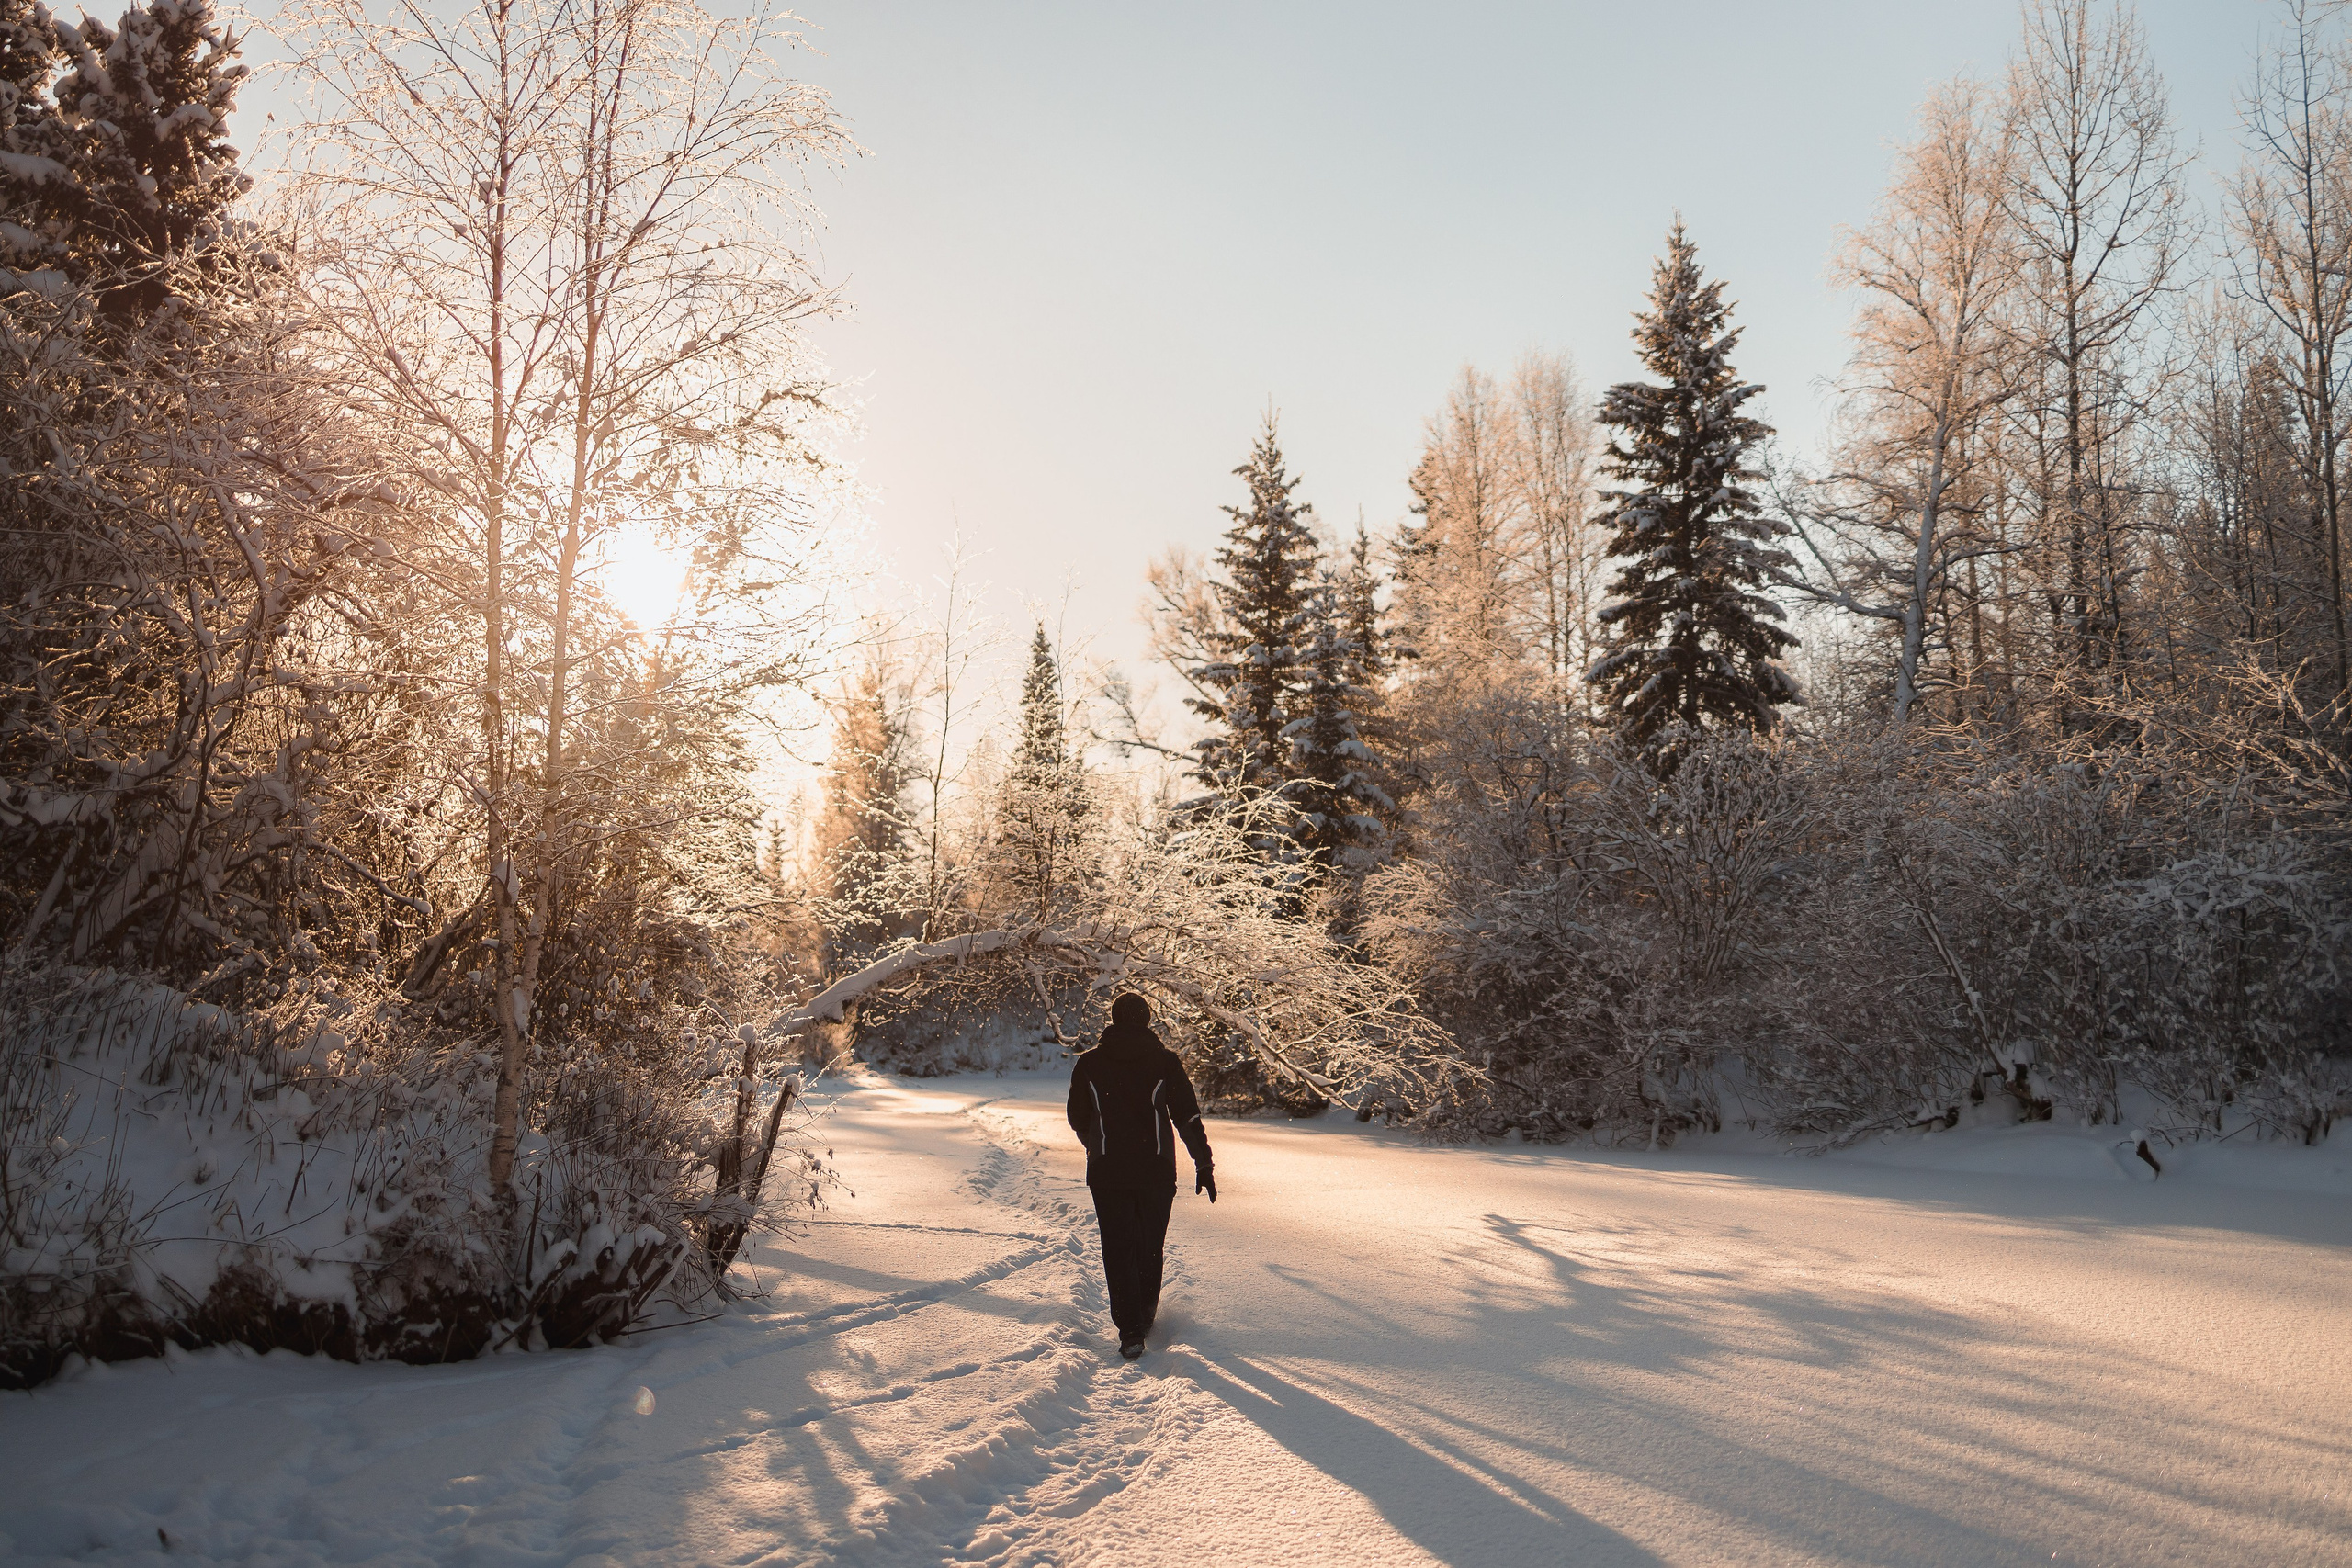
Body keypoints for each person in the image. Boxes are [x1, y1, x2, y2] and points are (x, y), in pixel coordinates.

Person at [1066, 993, 1216, 1359]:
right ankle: (1144, 1318)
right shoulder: (1164, 1062)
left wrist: (1097, 1144)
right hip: (1156, 1171)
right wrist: (1204, 1162)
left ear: (1114, 1020)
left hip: (1107, 1172)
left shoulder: (1089, 1063)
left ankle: (1130, 1331)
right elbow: (1187, 1117)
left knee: (1117, 1249)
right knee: (1149, 1247)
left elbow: (1076, 1115)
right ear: (1147, 1021)